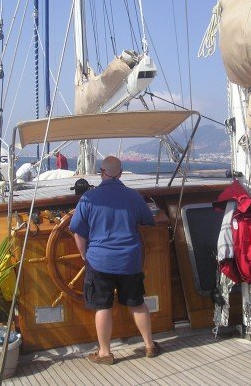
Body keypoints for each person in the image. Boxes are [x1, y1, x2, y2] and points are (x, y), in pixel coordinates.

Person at [69, 156, 160, 365]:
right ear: (120, 173)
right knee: (137, 303)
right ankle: (149, 345)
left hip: (99, 261)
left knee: (103, 307)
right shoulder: (133, 196)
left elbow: (77, 232)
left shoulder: (88, 199)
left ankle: (104, 353)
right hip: (129, 260)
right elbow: (148, 220)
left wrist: (84, 255)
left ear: (101, 172)